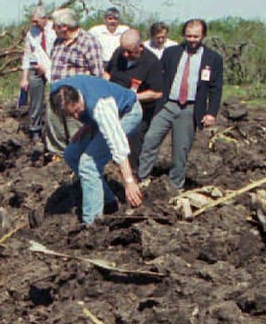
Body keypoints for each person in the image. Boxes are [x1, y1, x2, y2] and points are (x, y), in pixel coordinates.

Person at [136, 18, 224, 191]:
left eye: (196, 37)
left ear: (203, 36)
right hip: (167, 105)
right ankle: (142, 179)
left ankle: (175, 187)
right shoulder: (171, 52)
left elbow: (216, 88)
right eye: (189, 36)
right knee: (149, 141)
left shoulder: (213, 58)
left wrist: (211, 113)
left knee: (180, 151)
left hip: (190, 109)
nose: (192, 40)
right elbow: (157, 76)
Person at [50, 75, 144, 224]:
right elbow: (77, 109)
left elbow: (117, 143)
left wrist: (129, 181)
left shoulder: (100, 105)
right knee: (71, 154)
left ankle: (92, 224)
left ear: (78, 98)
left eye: (77, 111)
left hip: (126, 113)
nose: (76, 116)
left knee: (88, 165)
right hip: (98, 118)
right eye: (71, 115)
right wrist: (88, 124)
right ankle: (108, 201)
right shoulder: (57, 91)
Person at [38, 7, 104, 153]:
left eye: (54, 26)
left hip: (75, 98)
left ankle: (78, 158)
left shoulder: (88, 42)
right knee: (56, 129)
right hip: (56, 94)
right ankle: (58, 157)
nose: (53, 29)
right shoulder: (58, 42)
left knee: (77, 132)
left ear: (64, 27)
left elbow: (98, 74)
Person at [106, 29, 164, 166]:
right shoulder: (118, 53)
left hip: (138, 110)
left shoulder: (151, 62)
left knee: (131, 143)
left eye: (130, 52)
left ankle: (131, 174)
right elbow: (107, 73)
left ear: (140, 47)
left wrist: (131, 97)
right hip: (114, 106)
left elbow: (156, 93)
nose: (125, 54)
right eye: (124, 50)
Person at [19, 6, 56, 145]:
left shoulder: (55, 30)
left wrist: (48, 67)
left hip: (54, 67)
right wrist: (24, 78)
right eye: (32, 21)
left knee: (56, 97)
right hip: (37, 68)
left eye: (36, 21)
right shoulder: (31, 33)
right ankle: (35, 129)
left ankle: (55, 131)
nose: (34, 24)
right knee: (35, 96)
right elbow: (27, 55)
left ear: (44, 18)